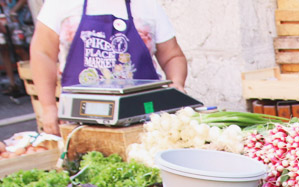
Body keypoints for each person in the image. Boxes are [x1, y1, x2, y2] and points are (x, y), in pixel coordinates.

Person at [29, 0, 187, 135]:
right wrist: (48, 106)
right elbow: (42, 54)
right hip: (81, 123)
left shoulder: (147, 5)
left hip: (147, 122)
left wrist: (177, 82)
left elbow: (172, 56)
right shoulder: (61, 3)